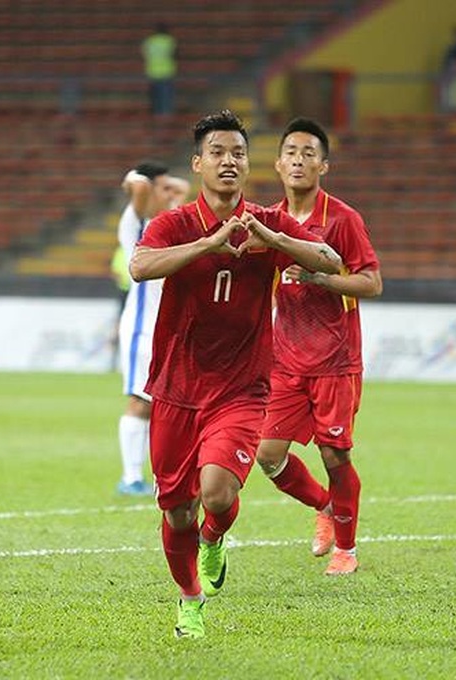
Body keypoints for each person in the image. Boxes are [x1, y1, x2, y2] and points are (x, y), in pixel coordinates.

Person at [129, 110, 343, 639]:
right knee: (177, 510)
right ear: (198, 163)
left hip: (242, 389)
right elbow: (139, 266)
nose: (229, 162)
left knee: (218, 494)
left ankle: (215, 537)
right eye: (218, 153)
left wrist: (275, 240)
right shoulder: (175, 223)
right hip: (177, 390)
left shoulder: (265, 222)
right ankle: (190, 598)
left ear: (249, 165)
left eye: (238, 154)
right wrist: (209, 244)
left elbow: (331, 259)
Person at [255, 117, 382, 576]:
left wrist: (320, 278)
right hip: (284, 360)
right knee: (267, 456)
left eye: (309, 153)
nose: (298, 160)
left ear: (323, 166)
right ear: (277, 163)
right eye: (291, 151)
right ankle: (327, 506)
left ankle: (346, 549)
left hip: (334, 360)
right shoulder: (269, 223)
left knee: (335, 454)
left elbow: (371, 282)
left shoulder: (343, 219)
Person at [115, 161, 189, 496]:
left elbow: (184, 188)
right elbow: (140, 188)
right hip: (142, 329)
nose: (170, 193)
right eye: (163, 188)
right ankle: (131, 477)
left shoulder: (173, 221)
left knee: (169, 406)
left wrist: (167, 187)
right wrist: (141, 179)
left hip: (173, 330)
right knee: (140, 402)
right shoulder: (137, 222)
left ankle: (163, 476)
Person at [142, 23, 177, 115]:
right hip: (167, 71)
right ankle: (166, 114)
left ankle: (156, 113)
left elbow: (145, 55)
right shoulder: (169, 41)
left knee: (155, 96)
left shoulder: (150, 41)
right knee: (166, 96)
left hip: (152, 71)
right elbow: (175, 54)